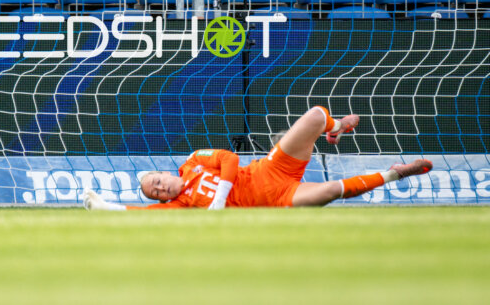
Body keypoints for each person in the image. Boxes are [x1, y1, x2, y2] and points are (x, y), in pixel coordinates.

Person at [83, 106, 433, 210]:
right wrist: (102, 206)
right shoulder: (180, 205)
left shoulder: (193, 161)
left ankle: (338, 126)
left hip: (270, 168)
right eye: (156, 192)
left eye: (157, 182)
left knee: (314, 116)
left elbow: (231, 160)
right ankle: (395, 175)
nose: (160, 189)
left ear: (163, 171)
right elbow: (140, 215)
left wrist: (219, 199)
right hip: (278, 198)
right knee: (329, 192)